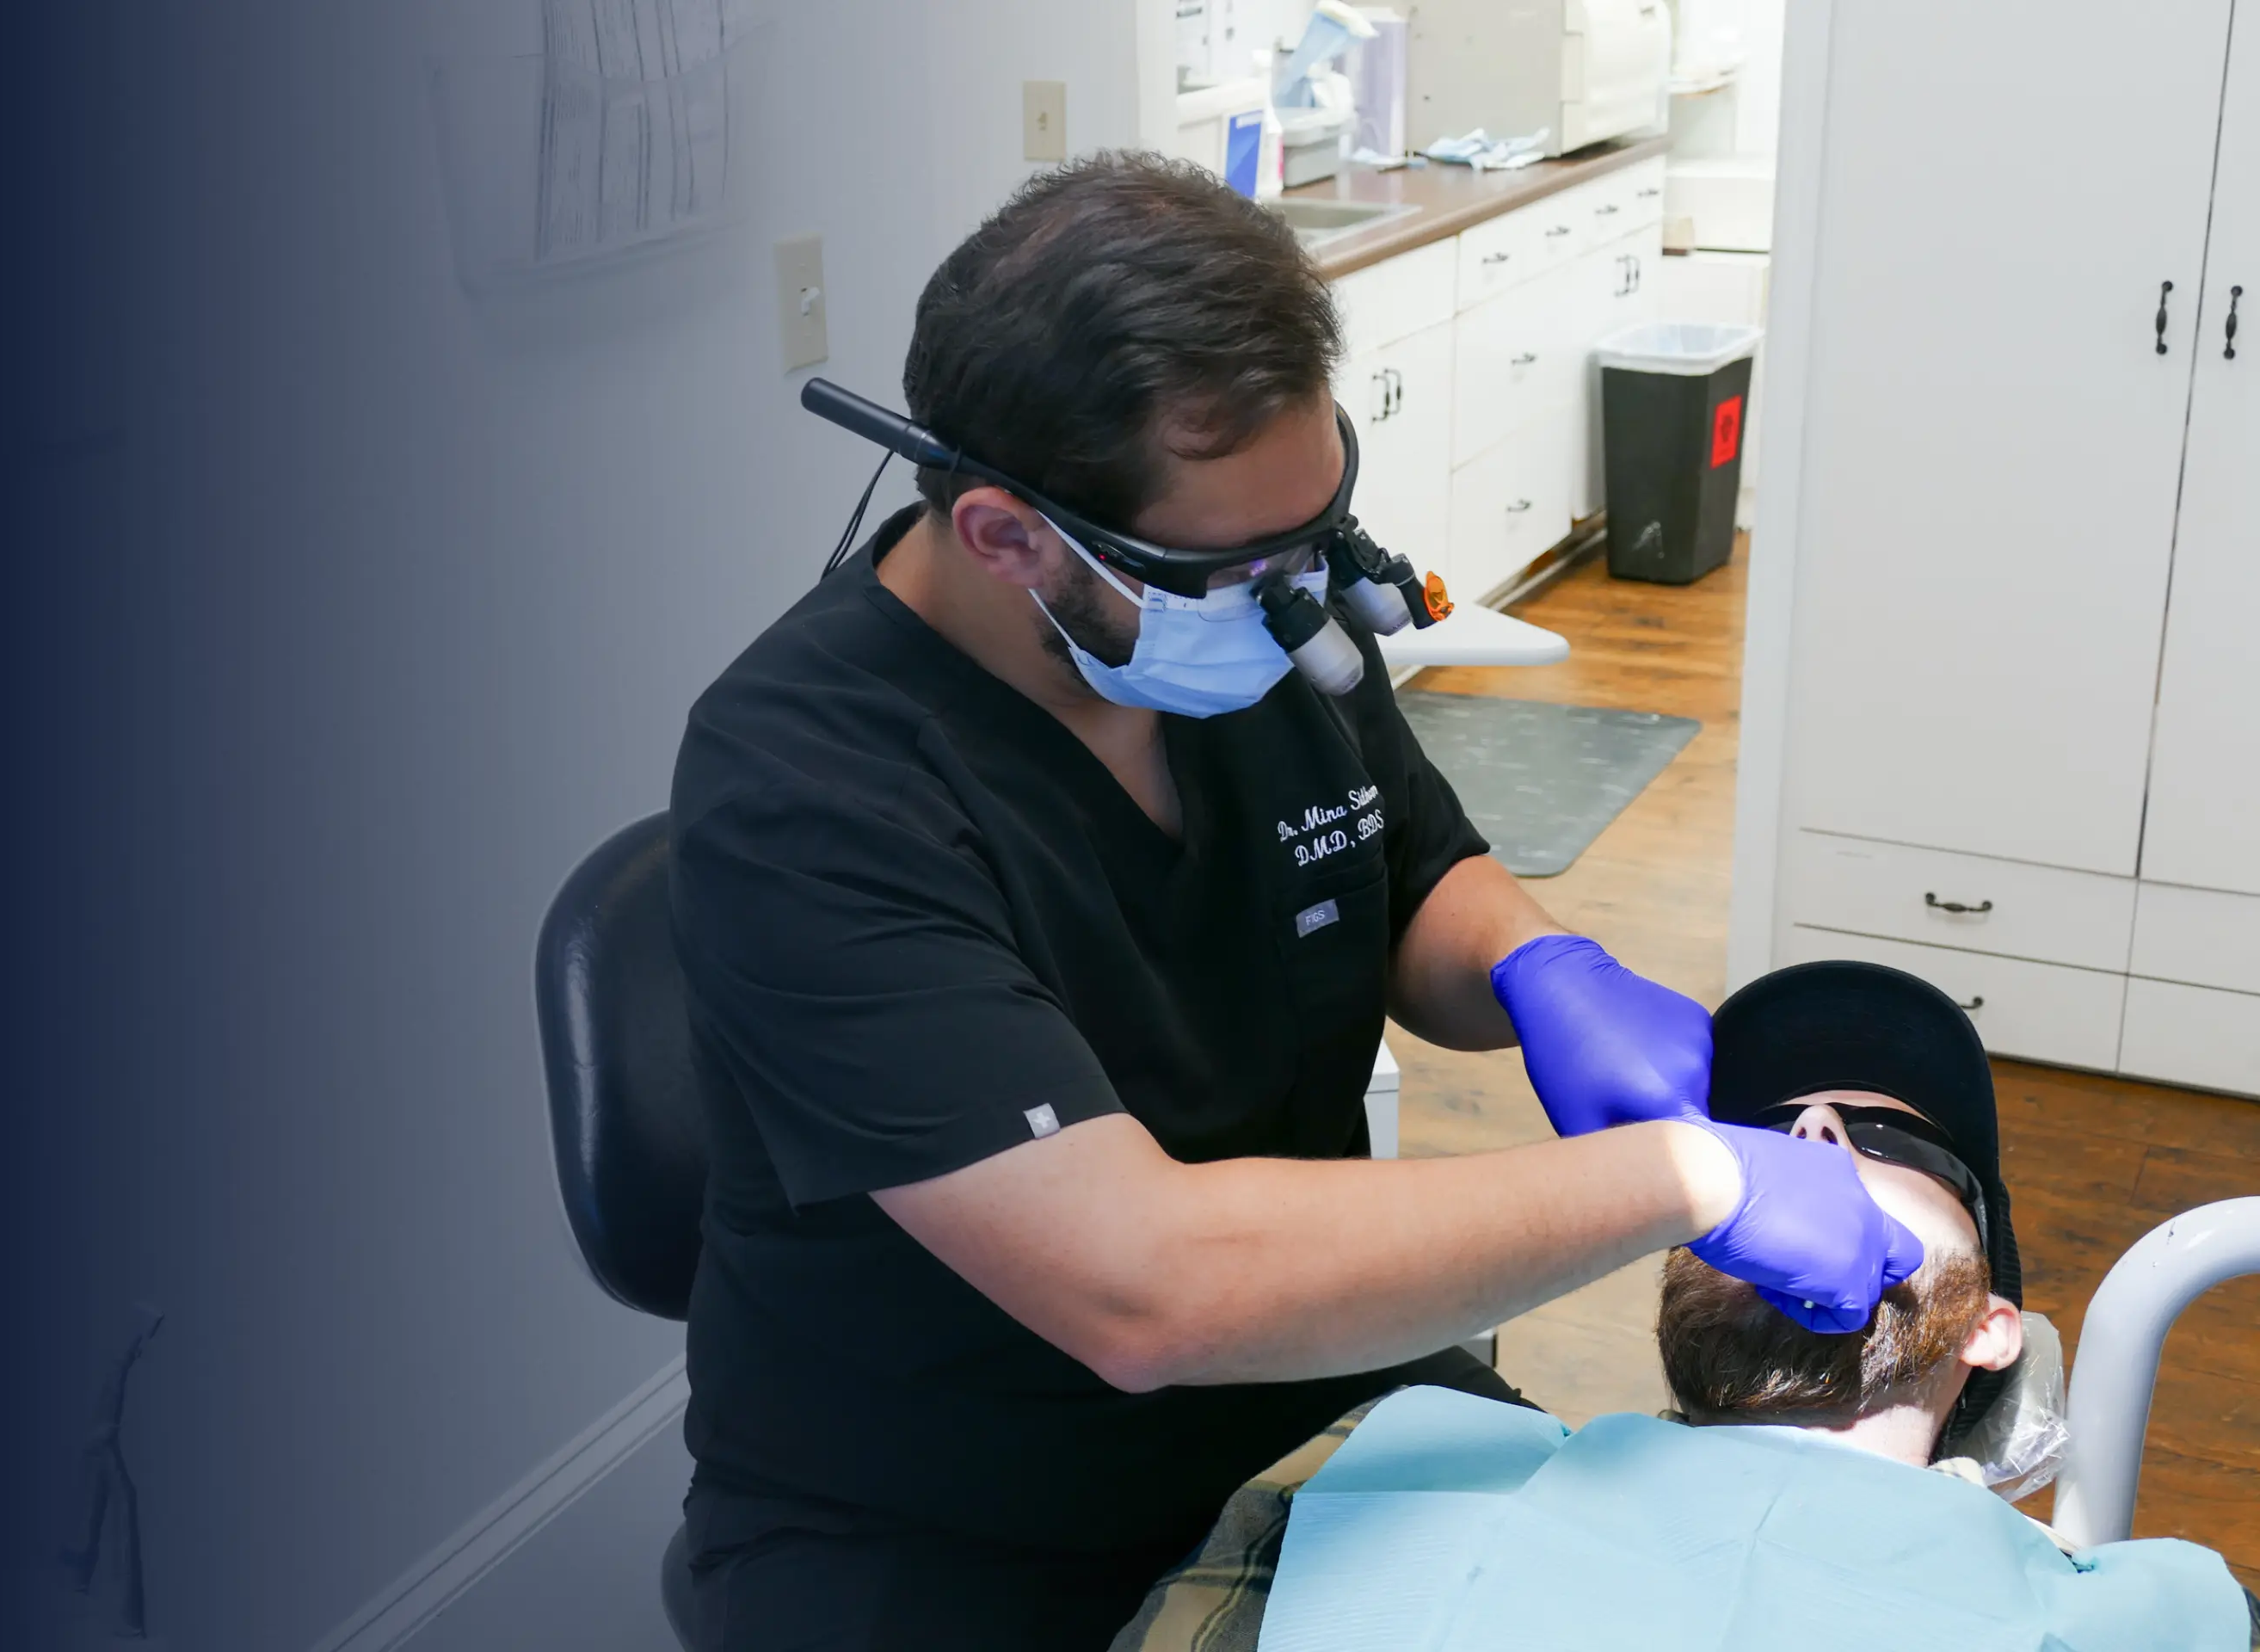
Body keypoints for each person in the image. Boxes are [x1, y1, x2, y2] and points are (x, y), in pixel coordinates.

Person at [662, 151, 1918, 1651]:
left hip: (1328, 1399)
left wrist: (1534, 964)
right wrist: (1687, 1182)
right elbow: (1145, 1294)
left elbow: (1411, 877)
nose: (1308, 598)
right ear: (1009, 535)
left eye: (1321, 529)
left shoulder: (1235, 627)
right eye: (1253, 562)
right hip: (956, 1521)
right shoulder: (806, 787)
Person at [1257, 960, 2252, 1652]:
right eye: (1756, 1145)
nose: (1812, 1132)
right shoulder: (1392, 1476)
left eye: (1888, 1141)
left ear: (1995, 1328)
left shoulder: (2157, 1618)